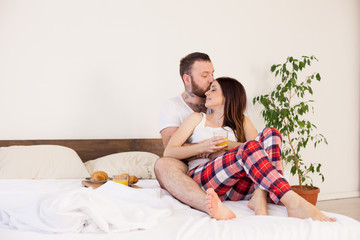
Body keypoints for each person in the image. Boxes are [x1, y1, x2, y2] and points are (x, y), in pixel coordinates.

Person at [162, 77, 336, 222]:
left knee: (271, 133)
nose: (206, 93)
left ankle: (259, 194)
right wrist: (204, 146)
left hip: (237, 187)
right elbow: (169, 152)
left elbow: (259, 149)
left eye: (213, 89)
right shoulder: (197, 119)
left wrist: (226, 145)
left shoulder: (242, 121)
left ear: (228, 95)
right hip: (205, 180)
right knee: (251, 147)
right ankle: (292, 201)